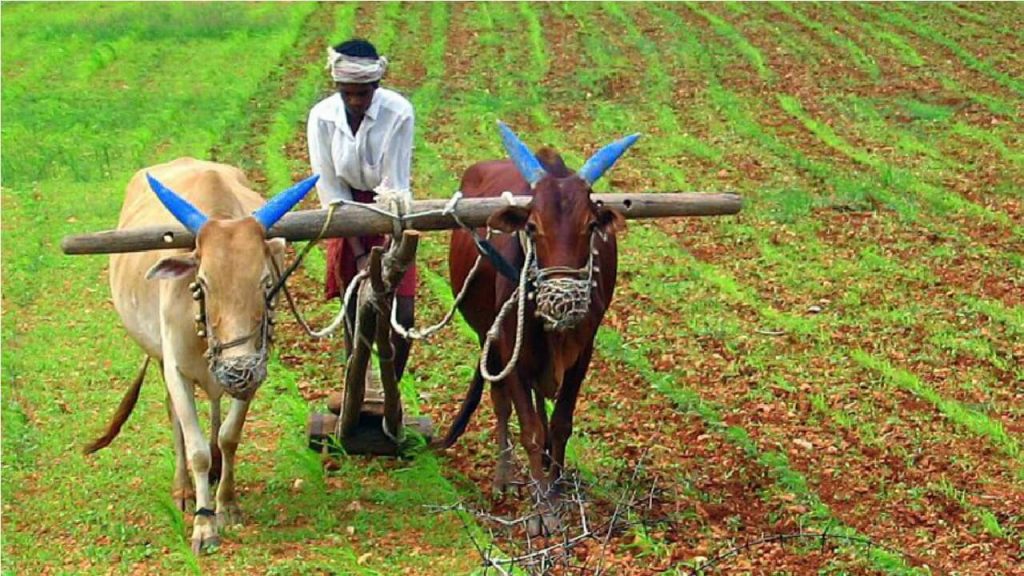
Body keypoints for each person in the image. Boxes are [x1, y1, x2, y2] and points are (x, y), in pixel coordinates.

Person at [307, 38, 416, 387]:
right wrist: (358, 255)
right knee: (356, 306)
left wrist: (387, 256)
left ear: (376, 86)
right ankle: (356, 387)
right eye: (348, 93)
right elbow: (331, 190)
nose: (355, 101)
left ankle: (390, 392)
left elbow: (395, 185)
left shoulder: (399, 112)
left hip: (390, 212)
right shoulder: (322, 117)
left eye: (363, 93)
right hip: (346, 214)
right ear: (338, 87)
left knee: (402, 313)